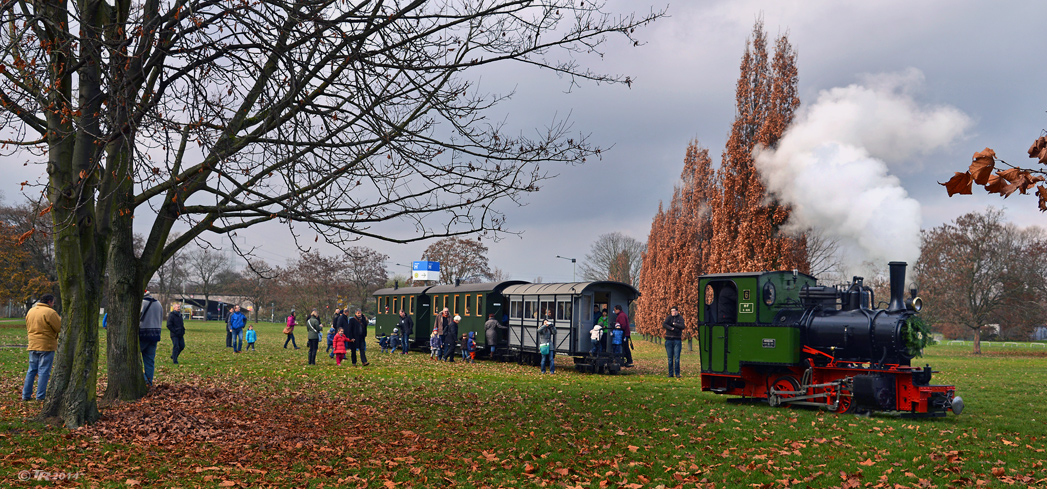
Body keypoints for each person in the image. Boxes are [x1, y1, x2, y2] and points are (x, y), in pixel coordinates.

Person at [23, 294, 60, 401]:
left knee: (32, 370)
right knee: (44, 371)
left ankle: (26, 395)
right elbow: (59, 327)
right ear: (49, 301)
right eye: (53, 302)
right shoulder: (50, 312)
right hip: (46, 345)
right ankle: (40, 396)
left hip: (33, 343)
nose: (53, 304)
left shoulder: (31, 311)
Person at [140, 291, 163, 386]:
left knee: (133, 358)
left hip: (143, 334)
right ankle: (149, 382)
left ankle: (145, 380)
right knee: (150, 360)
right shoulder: (158, 304)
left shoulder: (142, 303)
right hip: (155, 335)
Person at [663, 306, 686, 378]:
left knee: (677, 358)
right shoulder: (669, 317)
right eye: (671, 311)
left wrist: (674, 324)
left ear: (677, 311)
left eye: (674, 311)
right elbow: (664, 324)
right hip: (669, 339)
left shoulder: (680, 318)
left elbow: (682, 326)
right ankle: (670, 373)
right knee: (670, 358)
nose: (672, 312)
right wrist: (672, 328)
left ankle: (677, 373)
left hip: (677, 340)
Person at [537, 309, 556, 374]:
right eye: (545, 322)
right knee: (543, 359)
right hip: (544, 345)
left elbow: (554, 332)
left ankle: (552, 371)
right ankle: (543, 370)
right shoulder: (541, 328)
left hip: (550, 345)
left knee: (551, 359)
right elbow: (539, 330)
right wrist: (544, 325)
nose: (546, 323)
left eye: (547, 322)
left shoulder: (549, 329)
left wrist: (552, 326)